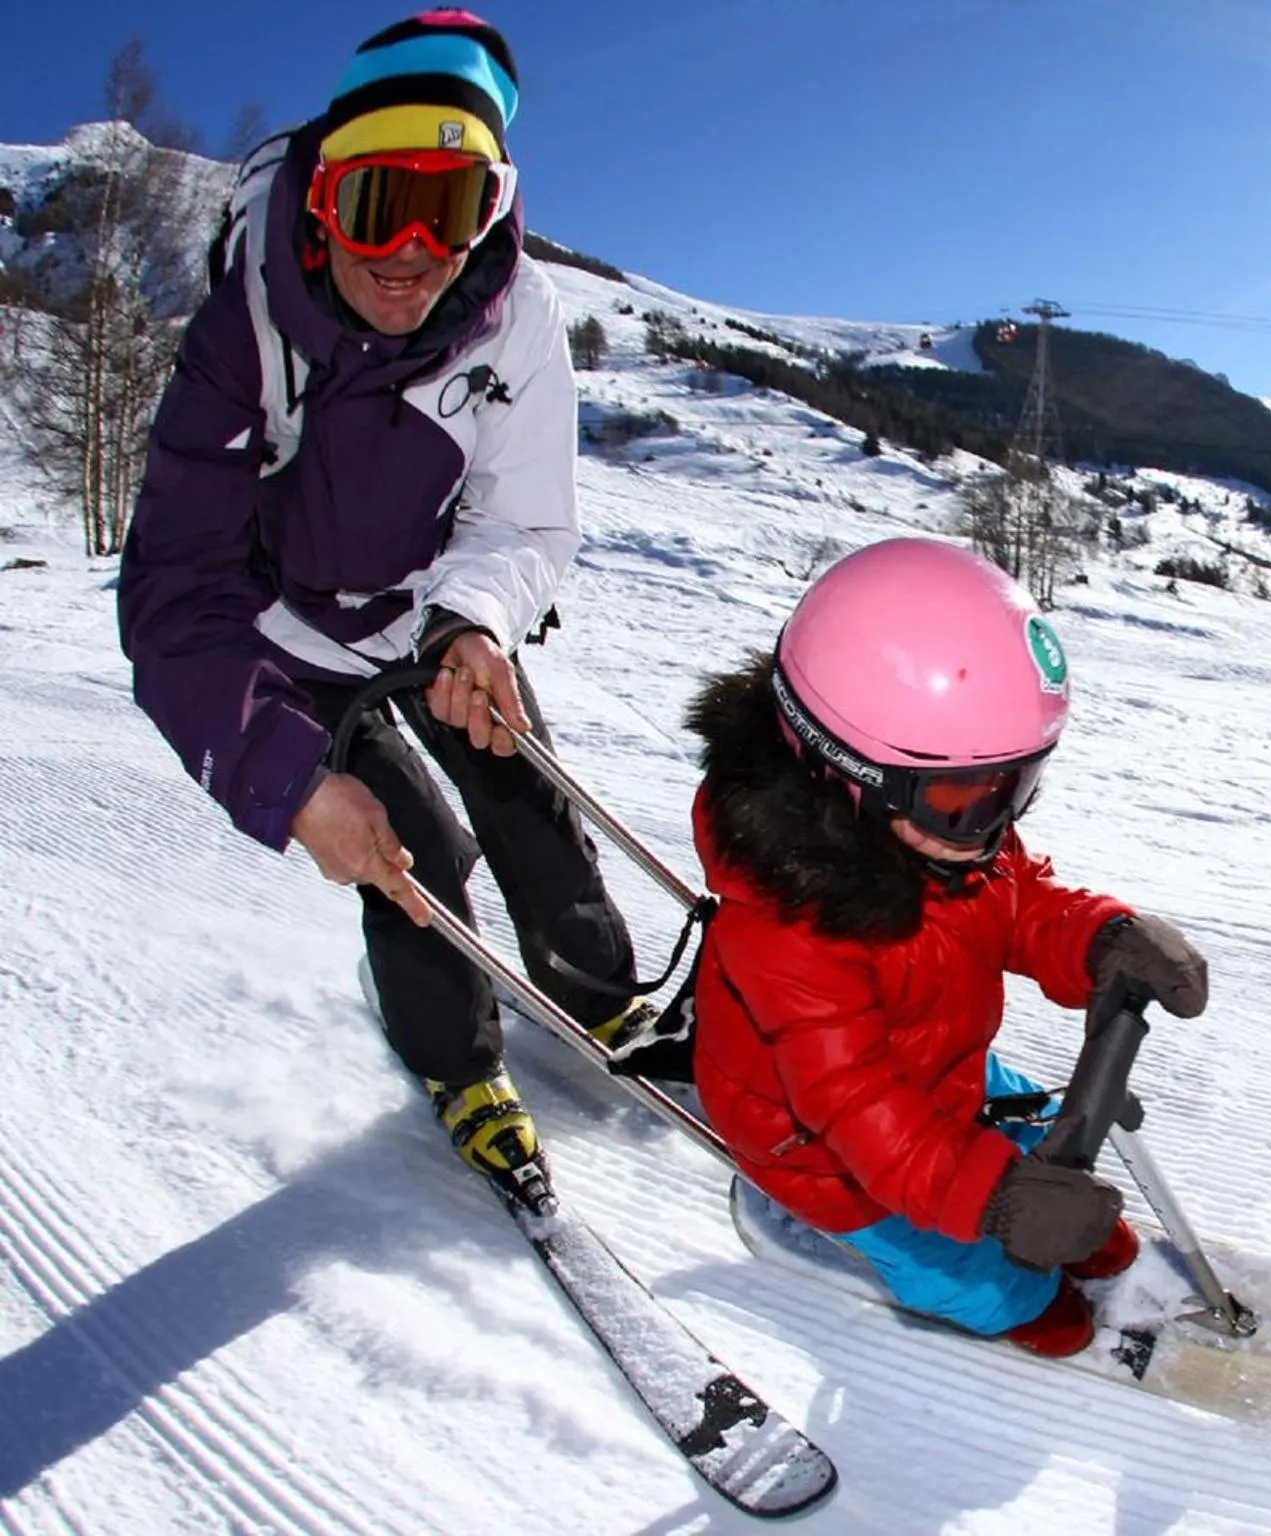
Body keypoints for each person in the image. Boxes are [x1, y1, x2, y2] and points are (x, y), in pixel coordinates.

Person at [117, 10, 637, 1210]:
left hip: (426, 615)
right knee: (409, 858)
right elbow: (174, 593)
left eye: (447, 210)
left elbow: (526, 520)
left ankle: (601, 995)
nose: (409, 253)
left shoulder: (515, 316)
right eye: (373, 207)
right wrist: (291, 786)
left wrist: (474, 624)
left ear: (493, 211)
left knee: (528, 800)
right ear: (319, 201)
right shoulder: (239, 331)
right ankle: (457, 1065)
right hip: (281, 639)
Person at [684, 538, 1210, 1357]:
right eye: (968, 799)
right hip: (820, 1143)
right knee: (993, 1281)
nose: (995, 825)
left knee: (1049, 1149)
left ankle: (1022, 1203)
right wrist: (996, 1202)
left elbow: (1022, 900)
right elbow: (855, 1105)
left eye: (1016, 786)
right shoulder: (791, 930)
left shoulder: (935, 833)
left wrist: (1103, 937)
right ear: (843, 772)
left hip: (938, 1063)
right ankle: (993, 1293)